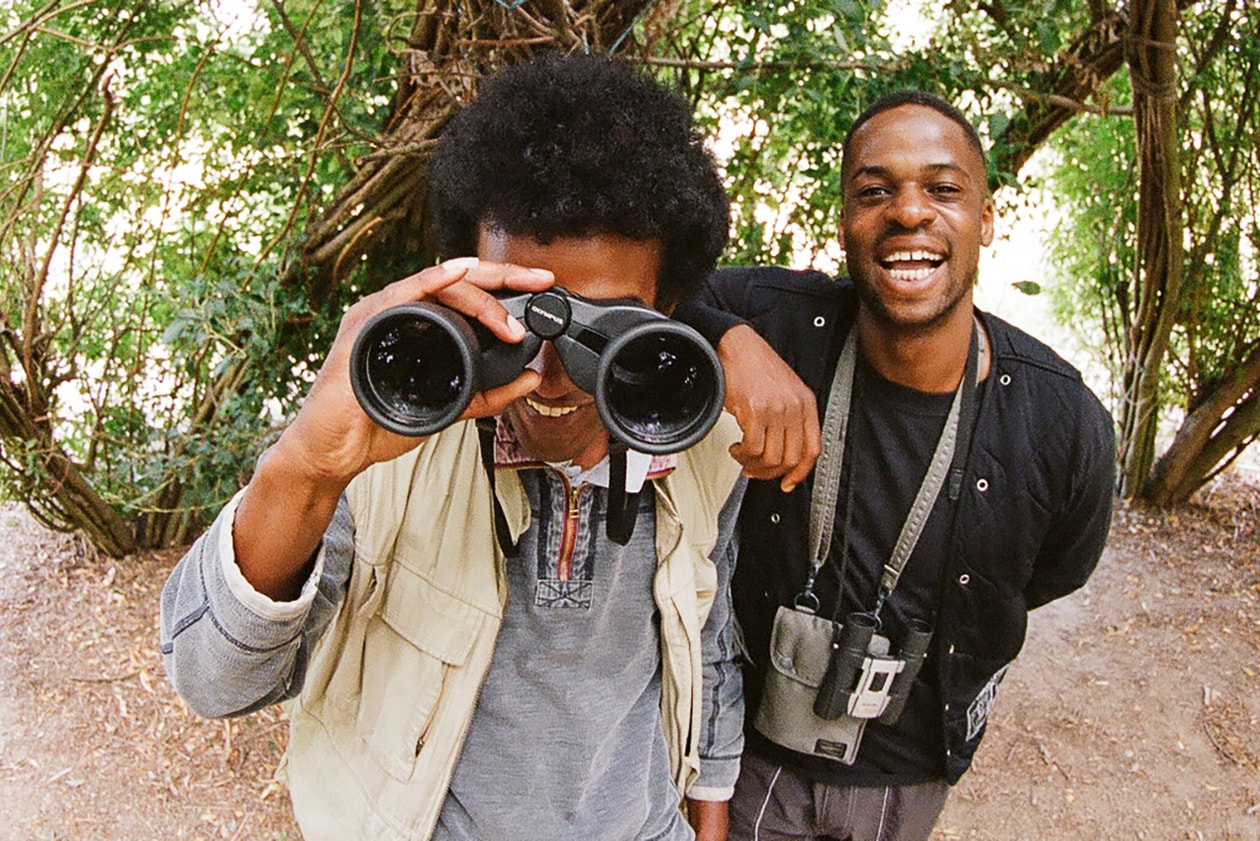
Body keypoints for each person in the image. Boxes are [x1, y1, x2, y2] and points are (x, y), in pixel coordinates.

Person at [159, 54, 748, 841]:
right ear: (458, 285)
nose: (548, 374)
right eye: (512, 311)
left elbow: (708, 641)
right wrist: (307, 462)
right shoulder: (383, 454)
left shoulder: (707, 451)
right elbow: (211, 679)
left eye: (600, 334)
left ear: (667, 310)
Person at [682, 91, 1117, 840]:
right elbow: (641, 292)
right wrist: (729, 341)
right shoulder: (778, 321)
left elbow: (1053, 572)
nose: (909, 212)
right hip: (747, 756)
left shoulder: (1063, 422)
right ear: (844, 222)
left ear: (986, 219)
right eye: (874, 191)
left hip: (909, 773)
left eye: (944, 189)